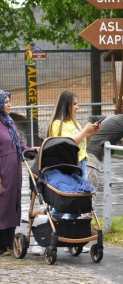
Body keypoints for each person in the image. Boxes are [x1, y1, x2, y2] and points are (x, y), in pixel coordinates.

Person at [0, 91, 37, 257]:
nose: (9, 104)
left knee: (13, 206)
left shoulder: (9, 122)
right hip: (2, 172)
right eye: (6, 102)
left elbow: (20, 143)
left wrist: (30, 151)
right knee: (2, 206)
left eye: (9, 101)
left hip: (14, 171)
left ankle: (9, 244)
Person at [85, 106, 123, 197]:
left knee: (85, 189)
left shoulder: (114, 117)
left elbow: (93, 118)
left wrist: (90, 132)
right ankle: (86, 210)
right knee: (88, 191)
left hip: (87, 150)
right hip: (93, 154)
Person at [47, 91, 100, 181]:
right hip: (71, 165)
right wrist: (85, 130)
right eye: (74, 104)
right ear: (66, 106)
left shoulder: (74, 122)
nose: (77, 107)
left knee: (83, 192)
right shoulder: (57, 124)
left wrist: (90, 134)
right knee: (78, 192)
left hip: (82, 162)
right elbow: (70, 142)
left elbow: (82, 144)